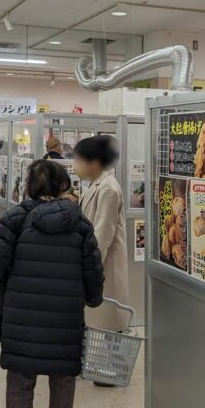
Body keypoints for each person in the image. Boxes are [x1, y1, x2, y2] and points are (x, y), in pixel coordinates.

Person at [0, 160, 104, 408]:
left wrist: (11, 281)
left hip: (21, 317)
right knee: (63, 379)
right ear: (63, 185)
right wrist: (93, 299)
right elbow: (93, 270)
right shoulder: (80, 224)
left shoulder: (14, 219)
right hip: (65, 318)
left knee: (20, 381)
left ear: (30, 186)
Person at [74, 136, 130, 353]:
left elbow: (102, 234)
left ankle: (108, 369)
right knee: (100, 319)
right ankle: (100, 365)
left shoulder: (108, 189)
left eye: (78, 160)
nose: (75, 165)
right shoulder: (98, 185)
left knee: (108, 320)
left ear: (94, 162)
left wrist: (89, 266)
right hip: (98, 264)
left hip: (105, 265)